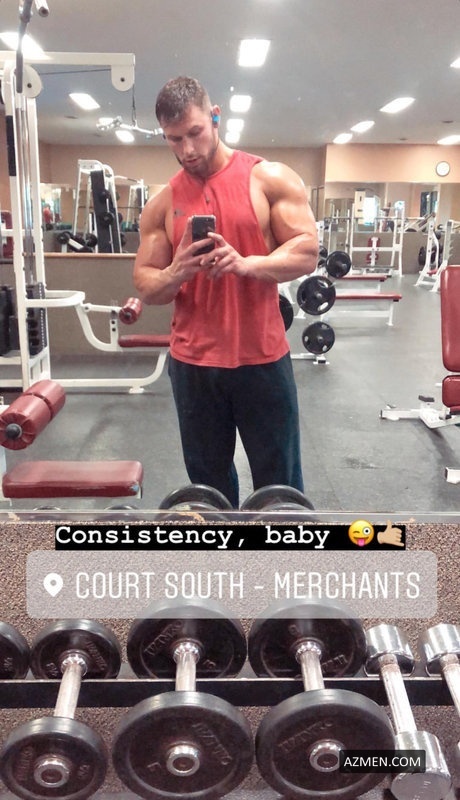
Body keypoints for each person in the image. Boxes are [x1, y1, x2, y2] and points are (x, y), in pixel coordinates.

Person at [134, 76, 318, 507]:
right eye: (174, 139)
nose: (187, 150)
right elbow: (146, 284)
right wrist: (177, 271)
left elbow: (307, 252)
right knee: (209, 488)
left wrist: (246, 263)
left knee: (280, 485)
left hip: (262, 359)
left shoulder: (267, 178)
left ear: (215, 117)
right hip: (194, 366)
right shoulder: (162, 203)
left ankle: (278, 550)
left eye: (195, 133)